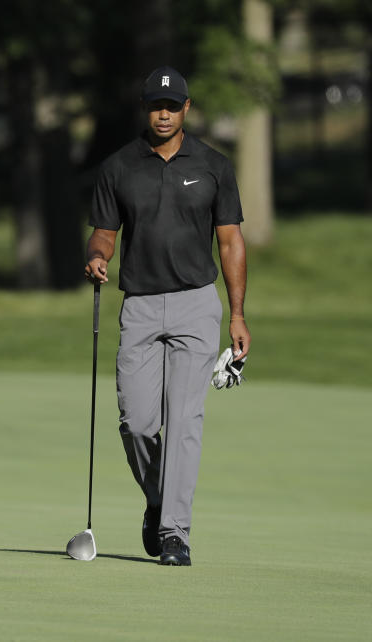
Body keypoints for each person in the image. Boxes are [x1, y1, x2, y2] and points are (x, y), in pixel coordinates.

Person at [84, 66, 251, 566]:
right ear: (146, 108)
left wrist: (238, 315)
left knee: (184, 422)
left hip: (198, 304)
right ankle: (158, 501)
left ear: (186, 107)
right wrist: (96, 256)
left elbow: (231, 242)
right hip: (139, 305)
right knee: (137, 422)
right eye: (157, 106)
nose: (164, 113)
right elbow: (104, 233)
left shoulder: (215, 165)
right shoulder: (119, 167)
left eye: (172, 106)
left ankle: (175, 532)